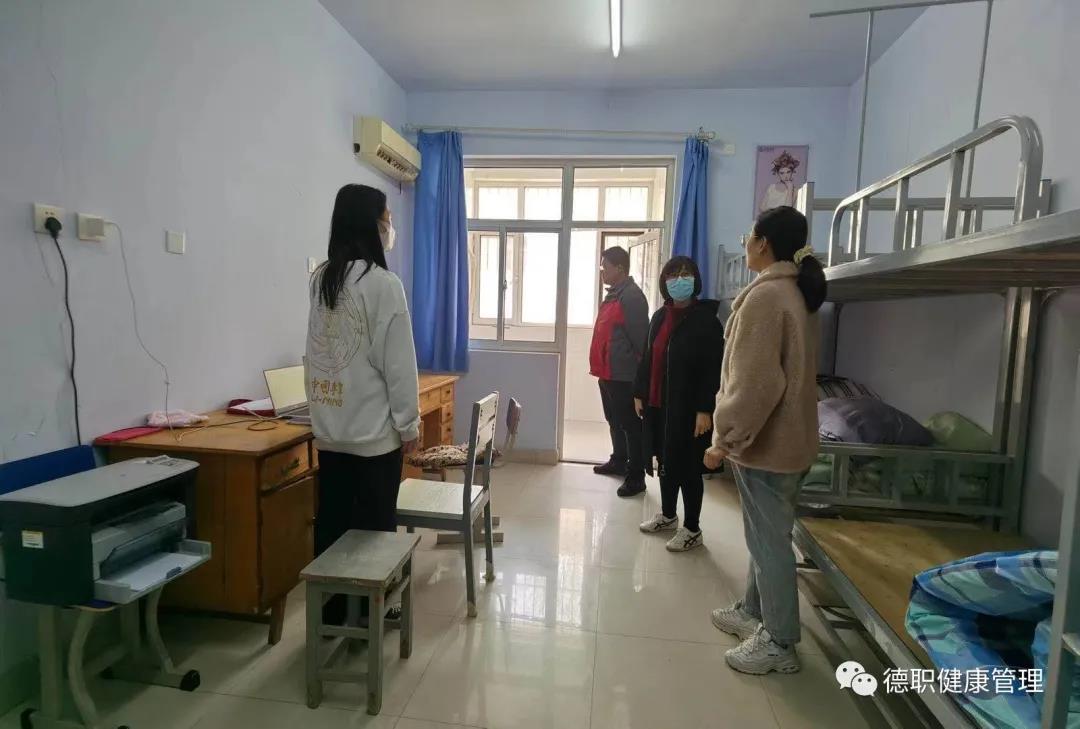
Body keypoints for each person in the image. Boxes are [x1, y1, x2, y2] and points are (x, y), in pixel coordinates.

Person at [704, 205, 824, 675]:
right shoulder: (795, 292)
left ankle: (779, 642)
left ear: (763, 243)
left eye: (749, 237)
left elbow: (754, 385)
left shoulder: (766, 298)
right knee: (765, 538)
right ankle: (754, 611)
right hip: (790, 442)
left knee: (769, 544)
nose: (746, 244)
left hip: (768, 446)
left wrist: (724, 439)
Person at [306, 183, 420, 625]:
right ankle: (372, 616)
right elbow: (399, 367)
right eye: (386, 218)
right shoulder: (384, 285)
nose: (390, 226)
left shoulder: (321, 279)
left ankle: (333, 615)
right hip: (374, 439)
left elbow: (320, 355)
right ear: (371, 224)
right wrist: (408, 426)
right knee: (374, 534)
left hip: (331, 435)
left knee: (333, 528)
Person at [634, 256, 724, 552]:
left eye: (686, 274)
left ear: (695, 280)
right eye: (674, 274)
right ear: (665, 281)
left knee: (688, 468)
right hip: (660, 405)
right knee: (665, 463)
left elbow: (713, 369)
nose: (679, 280)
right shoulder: (660, 316)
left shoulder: (706, 320)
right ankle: (668, 515)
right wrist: (639, 392)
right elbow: (648, 357)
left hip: (688, 409)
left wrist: (704, 409)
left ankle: (693, 529)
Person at [589, 246, 650, 497]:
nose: (602, 271)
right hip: (608, 373)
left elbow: (641, 341)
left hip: (624, 376)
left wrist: (639, 379)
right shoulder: (614, 294)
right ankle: (619, 461)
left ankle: (636, 476)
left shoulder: (632, 297)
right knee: (614, 420)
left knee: (630, 426)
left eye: (605, 266)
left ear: (620, 268)